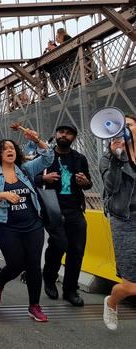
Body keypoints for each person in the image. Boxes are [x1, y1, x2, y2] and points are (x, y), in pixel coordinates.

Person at [0, 128, 53, 322]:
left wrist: (37, 141)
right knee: (15, 264)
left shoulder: (25, 169)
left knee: (33, 266)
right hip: (7, 226)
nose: (10, 150)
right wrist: (2, 194)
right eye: (5, 149)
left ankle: (34, 306)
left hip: (33, 224)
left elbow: (47, 159)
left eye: (12, 147)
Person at [35, 125, 91, 306]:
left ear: (74, 137)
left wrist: (85, 182)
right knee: (58, 246)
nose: (64, 135)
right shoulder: (45, 156)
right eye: (61, 132)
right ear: (55, 135)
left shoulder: (79, 158)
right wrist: (43, 179)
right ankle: (50, 278)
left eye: (68, 133)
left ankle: (70, 290)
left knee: (76, 251)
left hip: (74, 209)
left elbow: (88, 183)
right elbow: (28, 176)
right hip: (52, 208)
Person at [100, 115, 136, 330]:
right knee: (131, 287)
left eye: (129, 125)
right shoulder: (109, 158)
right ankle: (112, 302)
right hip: (125, 220)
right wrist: (116, 158)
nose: (125, 130)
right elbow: (111, 187)